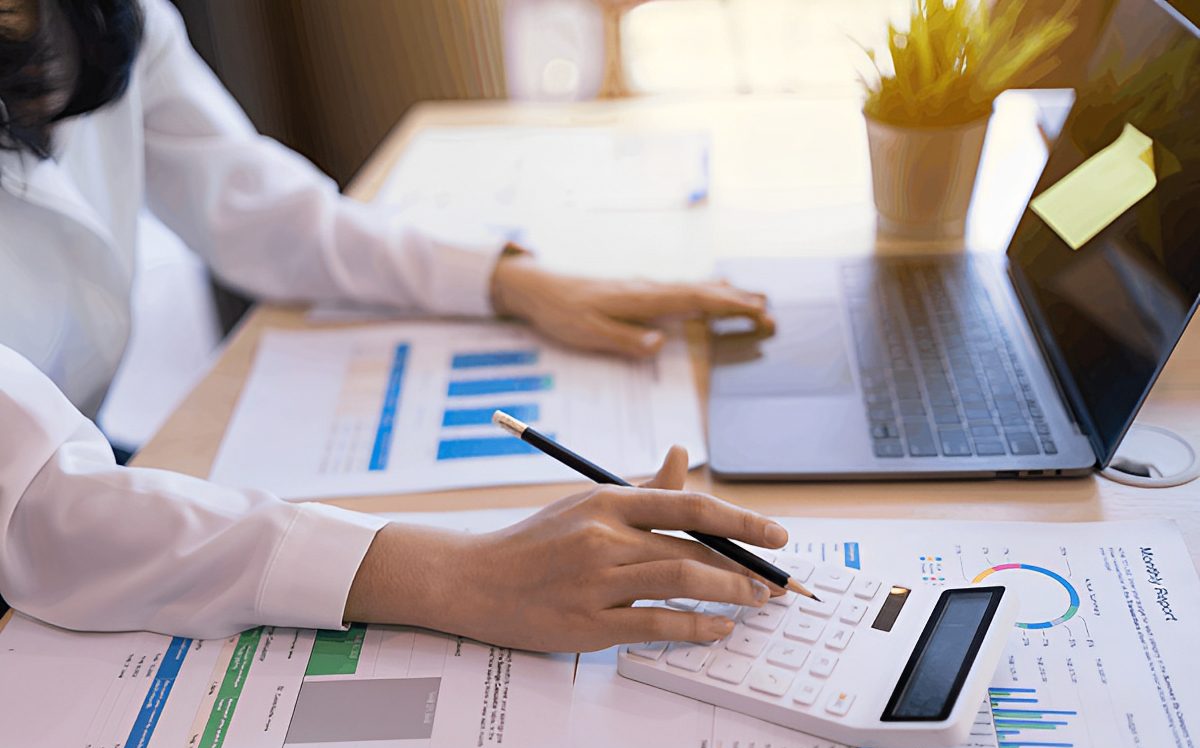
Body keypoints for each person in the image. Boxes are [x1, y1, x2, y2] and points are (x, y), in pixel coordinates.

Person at [0, 0, 782, 651]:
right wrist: (455, 574)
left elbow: (257, 205)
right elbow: (39, 508)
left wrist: (505, 280)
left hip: (81, 467)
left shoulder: (105, 13)